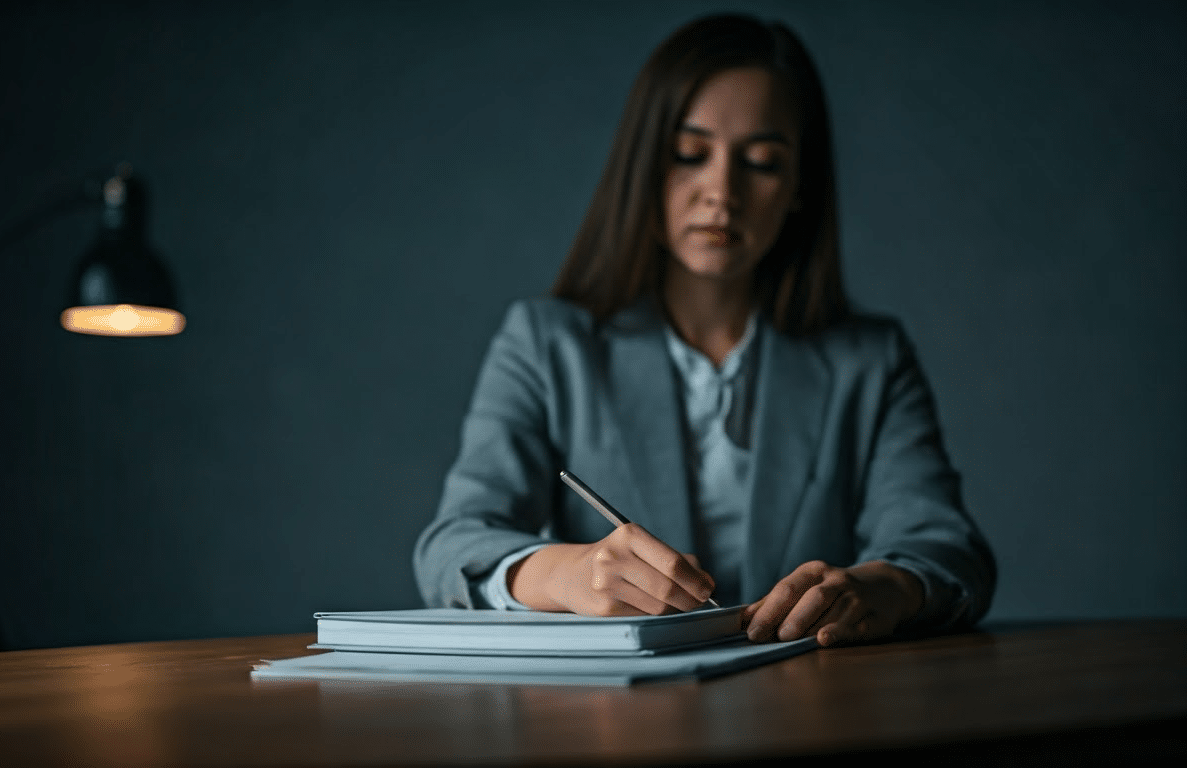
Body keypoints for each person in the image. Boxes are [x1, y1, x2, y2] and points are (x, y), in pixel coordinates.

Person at [413, 14, 995, 647]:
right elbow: (452, 544)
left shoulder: (870, 359)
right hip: (621, 728)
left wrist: (879, 588)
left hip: (815, 708)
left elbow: (946, 549)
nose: (721, 192)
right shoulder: (546, 343)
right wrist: (566, 574)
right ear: (643, 167)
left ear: (799, 186)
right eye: (689, 155)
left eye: (763, 163)